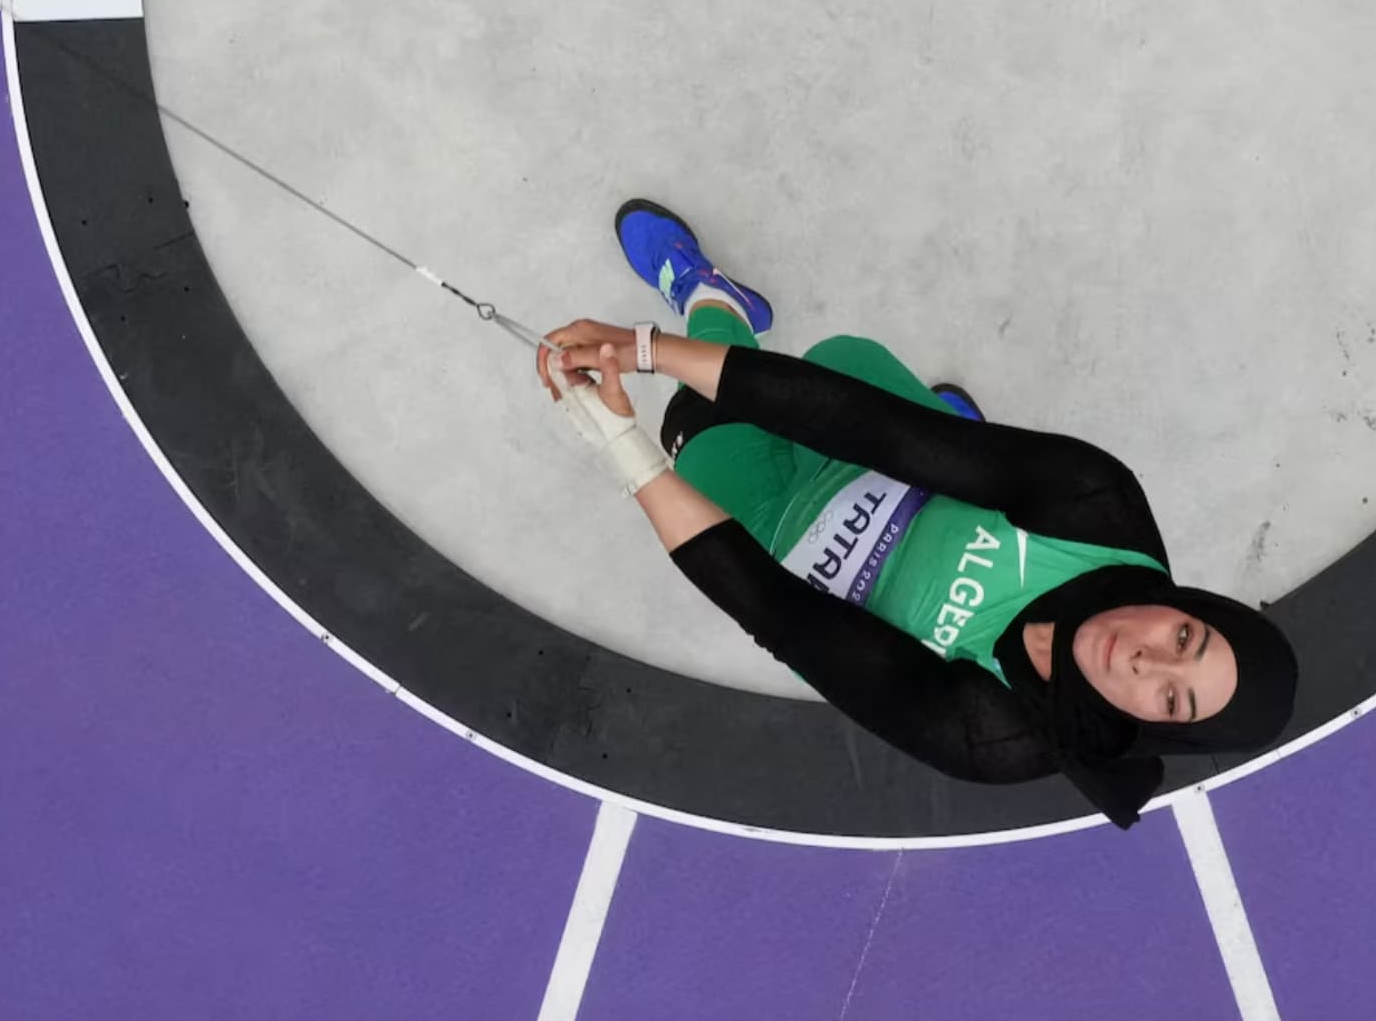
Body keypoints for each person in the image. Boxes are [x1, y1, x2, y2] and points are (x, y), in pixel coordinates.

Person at [537, 200, 1299, 828]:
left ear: (1161, 726)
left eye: (1171, 696)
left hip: (790, 552)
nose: (1146, 658)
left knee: (692, 429)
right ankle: (967, 445)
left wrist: (621, 443)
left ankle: (713, 299)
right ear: (1187, 607)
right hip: (893, 453)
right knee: (840, 361)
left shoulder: (996, 734)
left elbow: (780, 615)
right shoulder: (1096, 507)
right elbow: (864, 424)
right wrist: (639, 346)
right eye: (1185, 637)